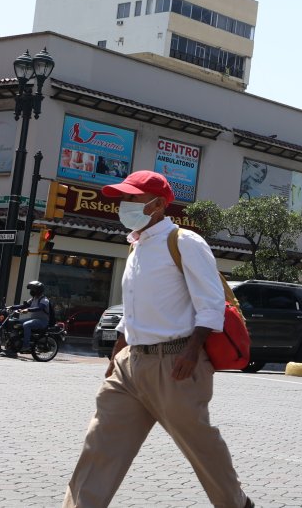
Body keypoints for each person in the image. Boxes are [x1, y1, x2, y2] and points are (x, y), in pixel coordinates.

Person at [62, 170, 253, 508]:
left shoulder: (183, 242)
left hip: (175, 363)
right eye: (123, 198)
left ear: (158, 205)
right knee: (100, 445)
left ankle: (236, 504)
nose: (124, 205)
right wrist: (117, 354)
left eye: (131, 198)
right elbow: (136, 309)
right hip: (130, 366)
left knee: (200, 446)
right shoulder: (137, 246)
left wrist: (192, 352)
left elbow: (209, 304)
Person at [6, 280, 51, 355]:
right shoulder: (33, 299)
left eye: (33, 289)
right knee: (15, 322)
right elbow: (23, 306)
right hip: (33, 319)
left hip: (42, 321)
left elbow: (39, 308)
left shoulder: (44, 300)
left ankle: (26, 346)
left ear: (38, 290)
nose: (32, 291)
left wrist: (28, 310)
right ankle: (15, 343)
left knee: (26, 325)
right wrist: (11, 307)